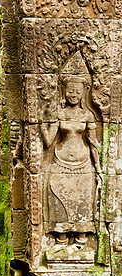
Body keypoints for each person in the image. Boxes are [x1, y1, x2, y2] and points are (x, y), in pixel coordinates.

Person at [40, 76, 102, 249]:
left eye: (77, 91)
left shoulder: (88, 115)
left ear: (83, 93)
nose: (73, 94)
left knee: (81, 201)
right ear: (64, 91)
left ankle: (81, 238)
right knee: (58, 197)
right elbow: (48, 141)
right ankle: (61, 239)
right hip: (60, 160)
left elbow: (93, 143)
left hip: (83, 163)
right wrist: (40, 121)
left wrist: (98, 168)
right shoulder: (59, 114)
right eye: (70, 91)